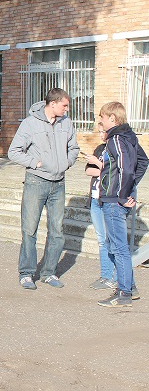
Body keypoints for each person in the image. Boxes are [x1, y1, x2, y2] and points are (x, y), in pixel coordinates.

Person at [8, 88, 80, 290]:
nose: (67, 109)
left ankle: (49, 272)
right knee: (29, 230)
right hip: (36, 182)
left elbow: (74, 148)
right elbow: (13, 152)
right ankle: (26, 273)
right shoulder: (30, 123)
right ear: (53, 103)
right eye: (64, 105)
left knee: (57, 231)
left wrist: (67, 162)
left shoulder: (66, 123)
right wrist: (35, 163)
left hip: (59, 183)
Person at [96, 101, 148, 307]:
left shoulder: (116, 139)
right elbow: (143, 161)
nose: (100, 121)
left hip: (114, 200)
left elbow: (126, 168)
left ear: (112, 118)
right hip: (117, 197)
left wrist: (123, 194)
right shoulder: (129, 137)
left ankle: (124, 293)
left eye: (102, 117)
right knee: (115, 245)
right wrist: (129, 188)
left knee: (118, 247)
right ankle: (130, 287)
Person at [84, 125, 117, 290]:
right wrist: (101, 168)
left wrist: (98, 164)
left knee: (112, 240)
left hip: (109, 200)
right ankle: (105, 275)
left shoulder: (117, 150)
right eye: (100, 132)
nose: (102, 134)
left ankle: (116, 277)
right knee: (101, 240)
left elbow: (116, 172)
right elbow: (88, 171)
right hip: (95, 199)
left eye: (104, 131)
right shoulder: (100, 148)